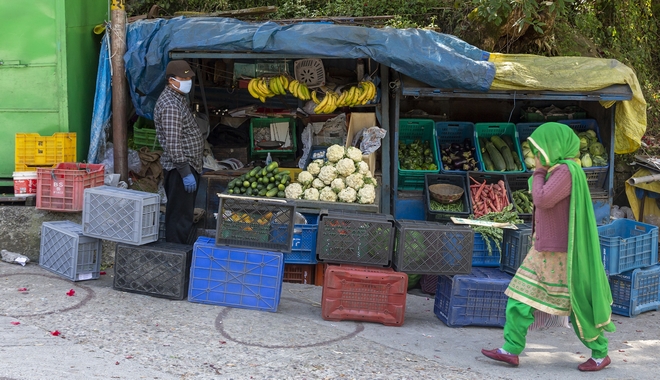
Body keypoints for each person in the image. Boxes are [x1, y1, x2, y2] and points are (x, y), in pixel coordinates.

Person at [481, 122, 615, 371]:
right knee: (519, 297)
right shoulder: (561, 170)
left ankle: (600, 353)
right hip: (544, 250)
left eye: (540, 150)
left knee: (574, 305)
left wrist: (539, 171)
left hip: (560, 254)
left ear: (555, 147)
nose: (536, 156)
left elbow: (542, 199)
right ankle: (510, 349)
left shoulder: (565, 171)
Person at [154, 60, 204, 244]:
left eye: (189, 77)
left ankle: (179, 252)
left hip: (187, 166)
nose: (188, 80)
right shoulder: (170, 106)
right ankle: (176, 256)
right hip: (180, 170)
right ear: (171, 80)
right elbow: (173, 143)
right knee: (179, 218)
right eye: (184, 78)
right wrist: (185, 172)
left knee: (182, 215)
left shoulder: (177, 98)